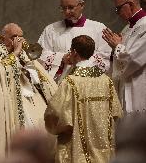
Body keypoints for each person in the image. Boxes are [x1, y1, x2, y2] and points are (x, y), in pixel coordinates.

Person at [0, 23, 58, 163]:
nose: (18, 40)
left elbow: (39, 77)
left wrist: (28, 67)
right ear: (2, 38)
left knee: (47, 120)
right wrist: (15, 54)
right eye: (14, 37)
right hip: (7, 95)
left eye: (20, 37)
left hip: (30, 94)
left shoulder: (24, 53)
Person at [44, 35, 123, 163]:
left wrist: (54, 128)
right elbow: (116, 114)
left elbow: (54, 114)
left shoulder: (70, 82)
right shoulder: (106, 81)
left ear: (74, 52)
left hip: (76, 150)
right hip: (104, 151)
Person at [38, 0, 112, 83]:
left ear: (82, 5)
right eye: (63, 8)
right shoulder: (51, 30)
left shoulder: (98, 28)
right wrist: (61, 59)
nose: (67, 12)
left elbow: (106, 57)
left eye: (71, 7)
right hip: (60, 83)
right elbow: (40, 55)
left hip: (87, 83)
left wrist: (82, 61)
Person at [102, 0, 146, 113]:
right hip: (125, 86)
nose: (117, 13)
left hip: (139, 86)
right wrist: (114, 48)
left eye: (119, 9)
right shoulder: (127, 28)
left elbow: (134, 60)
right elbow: (119, 56)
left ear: (130, 5)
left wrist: (117, 46)